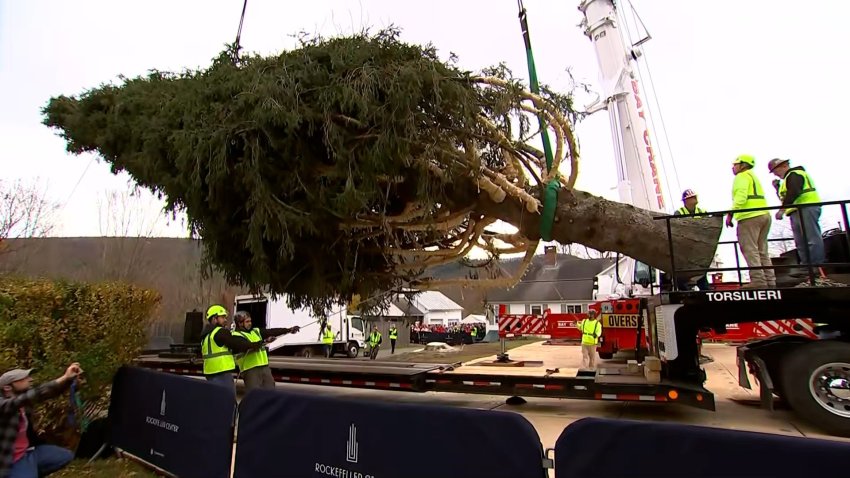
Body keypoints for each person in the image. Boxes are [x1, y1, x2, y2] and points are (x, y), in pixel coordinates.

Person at [1, 363, 82, 478]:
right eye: (23, 378)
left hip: (28, 452)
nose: (30, 379)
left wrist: (68, 381)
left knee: (65, 456)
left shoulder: (24, 403)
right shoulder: (4, 405)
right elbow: (35, 394)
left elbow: (46, 393)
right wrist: (64, 377)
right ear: (7, 387)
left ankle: (28, 471)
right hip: (11, 459)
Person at [768, 158, 826, 277]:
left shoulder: (795, 174)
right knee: (801, 242)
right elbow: (787, 196)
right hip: (796, 211)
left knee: (811, 238)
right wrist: (777, 189)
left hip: (806, 208)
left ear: (783, 166)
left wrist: (782, 210)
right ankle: (806, 266)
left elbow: (794, 192)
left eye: (775, 171)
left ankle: (815, 265)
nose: (775, 174)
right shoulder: (787, 179)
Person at [726, 155, 776, 288]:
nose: (733, 167)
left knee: (750, 249)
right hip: (764, 215)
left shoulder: (741, 177)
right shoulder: (752, 176)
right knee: (762, 250)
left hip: (749, 217)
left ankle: (758, 281)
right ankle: (770, 281)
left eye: (735, 164)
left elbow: (741, 197)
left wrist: (730, 213)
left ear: (742, 165)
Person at [200, 305, 264, 396]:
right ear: (214, 319)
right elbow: (237, 344)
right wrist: (257, 344)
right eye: (222, 317)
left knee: (216, 400)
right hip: (222, 373)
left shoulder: (205, 335)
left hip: (210, 374)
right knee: (229, 401)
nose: (225, 320)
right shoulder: (221, 331)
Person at [231, 310, 300, 392]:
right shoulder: (235, 335)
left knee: (270, 392)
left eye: (250, 321)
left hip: (264, 367)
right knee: (254, 395)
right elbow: (247, 346)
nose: (250, 323)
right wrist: (264, 342)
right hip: (250, 370)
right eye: (247, 321)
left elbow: (272, 331)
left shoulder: (255, 331)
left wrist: (289, 330)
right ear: (240, 323)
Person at [673, 189, 710, 291]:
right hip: (685, 248)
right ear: (686, 201)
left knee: (700, 272)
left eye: (695, 197)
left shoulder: (702, 211)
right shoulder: (679, 213)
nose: (695, 199)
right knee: (682, 271)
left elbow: (710, 225)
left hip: (698, 248)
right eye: (692, 198)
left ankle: (704, 289)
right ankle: (682, 289)